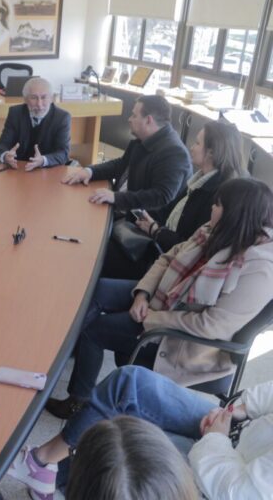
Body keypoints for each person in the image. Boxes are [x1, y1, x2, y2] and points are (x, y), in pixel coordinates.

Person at [45, 178, 273, 419]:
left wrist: (152, 318)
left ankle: (77, 402)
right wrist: (142, 294)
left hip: (185, 342)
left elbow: (211, 325)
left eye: (218, 205)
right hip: (164, 298)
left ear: (236, 214)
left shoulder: (259, 269)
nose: (212, 208)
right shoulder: (217, 230)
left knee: (93, 330)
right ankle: (61, 352)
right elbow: (168, 258)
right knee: (98, 289)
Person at [8, 366, 270, 500]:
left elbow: (240, 492)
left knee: (118, 449)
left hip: (221, 479)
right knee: (129, 382)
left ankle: (57, 476)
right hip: (236, 432)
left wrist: (217, 437)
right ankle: (43, 465)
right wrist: (237, 410)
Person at [102, 120, 246, 279]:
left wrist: (156, 230)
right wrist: (146, 220)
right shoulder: (198, 180)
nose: (191, 147)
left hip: (167, 264)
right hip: (160, 247)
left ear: (211, 152)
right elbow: (169, 212)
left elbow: (191, 247)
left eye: (197, 143)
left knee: (100, 256)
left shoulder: (217, 196)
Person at [62, 95, 192, 222]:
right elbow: (121, 165)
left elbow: (161, 196)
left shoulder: (174, 153)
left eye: (134, 115)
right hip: (123, 206)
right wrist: (89, 171)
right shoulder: (146, 138)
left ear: (148, 120)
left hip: (139, 222)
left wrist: (116, 198)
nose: (129, 119)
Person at [0, 77, 71, 171]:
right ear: (25, 99)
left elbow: (63, 153)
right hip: (18, 168)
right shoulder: (15, 113)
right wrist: (6, 156)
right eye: (34, 98)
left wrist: (43, 160)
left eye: (44, 97)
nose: (39, 104)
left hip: (46, 171)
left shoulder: (62, 117)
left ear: (51, 98)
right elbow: (1, 145)